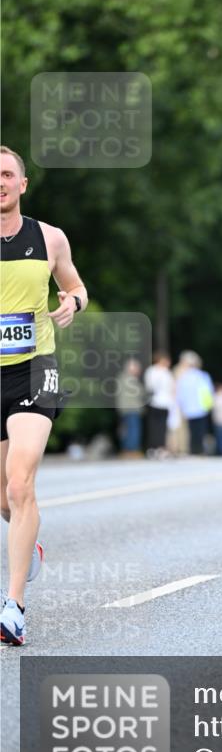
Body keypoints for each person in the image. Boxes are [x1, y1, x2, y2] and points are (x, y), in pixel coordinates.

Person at [0, 146, 88, 645]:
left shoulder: (49, 237)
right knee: (4, 497)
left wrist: (72, 302)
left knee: (20, 482)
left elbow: (77, 286)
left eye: (7, 175)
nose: (1, 183)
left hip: (35, 368)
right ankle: (28, 542)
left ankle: (13, 607)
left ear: (23, 184)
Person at [175, 351, 214, 455]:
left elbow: (181, 393)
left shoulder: (184, 377)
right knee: (200, 430)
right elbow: (209, 391)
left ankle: (193, 449)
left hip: (190, 407)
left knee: (192, 430)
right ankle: (199, 449)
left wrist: (181, 405)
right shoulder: (203, 375)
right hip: (201, 407)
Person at [143, 351, 174, 457]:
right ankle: (154, 448)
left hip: (164, 403)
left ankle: (160, 447)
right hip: (155, 402)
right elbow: (150, 387)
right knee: (155, 427)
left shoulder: (165, 372)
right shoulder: (153, 371)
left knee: (161, 427)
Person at [116, 358, 145, 457]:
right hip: (132, 408)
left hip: (124, 409)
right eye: (137, 369)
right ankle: (132, 450)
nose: (138, 371)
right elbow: (140, 392)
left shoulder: (121, 377)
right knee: (133, 430)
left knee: (126, 430)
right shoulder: (130, 379)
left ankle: (125, 450)